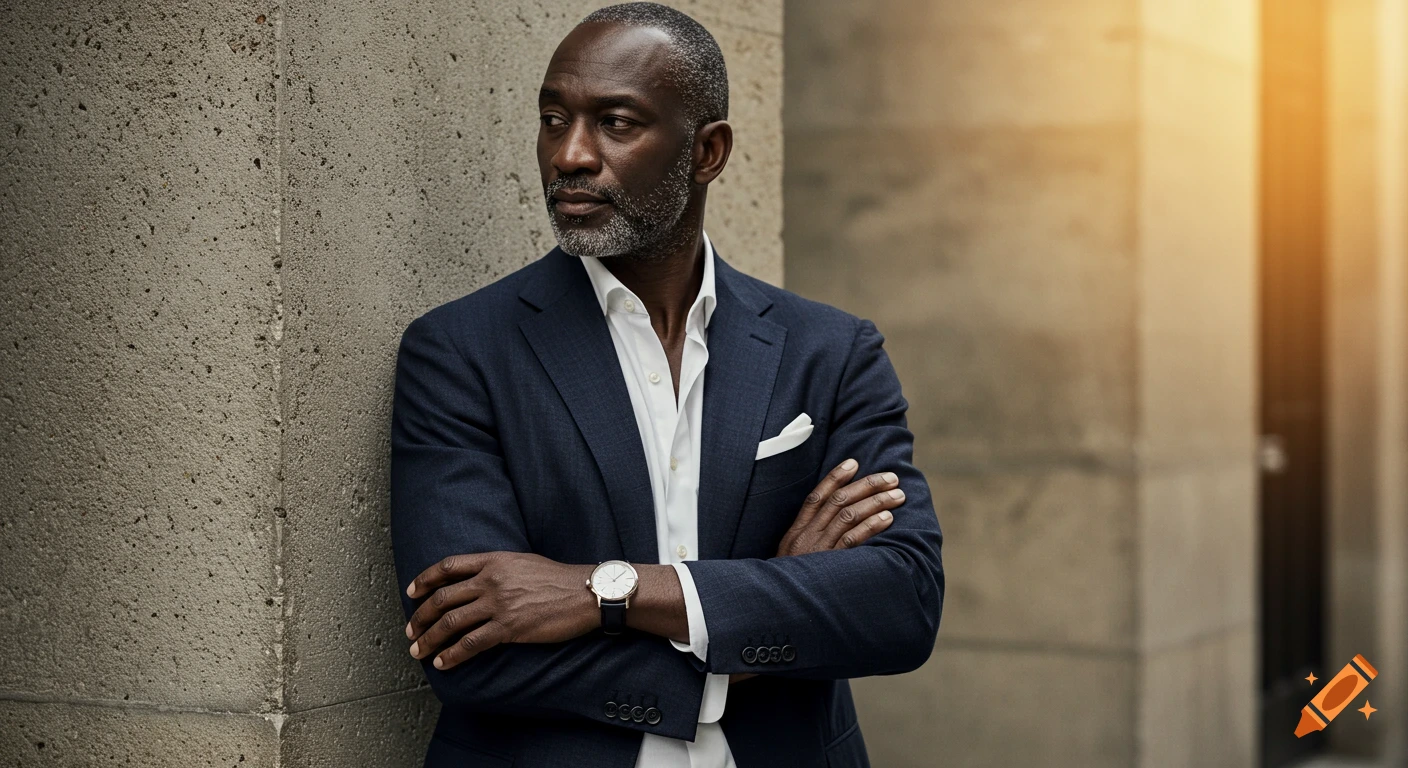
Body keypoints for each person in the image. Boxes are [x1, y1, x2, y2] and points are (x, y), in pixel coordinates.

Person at [389, 4, 945, 766]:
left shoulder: (831, 351)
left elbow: (901, 604)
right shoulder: (462, 352)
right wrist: (772, 601)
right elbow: (467, 649)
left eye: (615, 123)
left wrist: (601, 593)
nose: (570, 154)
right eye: (553, 120)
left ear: (707, 152)